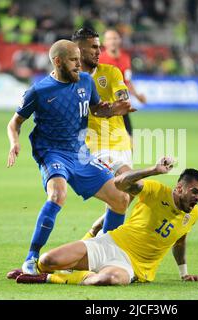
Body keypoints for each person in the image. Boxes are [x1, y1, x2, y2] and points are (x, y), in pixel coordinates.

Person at [6, 40, 135, 275]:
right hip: (52, 152)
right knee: (57, 195)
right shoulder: (39, 91)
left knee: (121, 199)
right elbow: (14, 123)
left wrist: (114, 110)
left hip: (80, 152)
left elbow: (96, 109)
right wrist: (15, 142)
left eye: (79, 59)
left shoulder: (86, 80)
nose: (79, 65)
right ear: (57, 61)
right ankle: (32, 258)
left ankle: (104, 253)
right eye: (73, 60)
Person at [12, 157, 198, 285]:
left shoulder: (194, 214)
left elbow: (179, 241)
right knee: (48, 260)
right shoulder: (155, 191)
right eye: (194, 192)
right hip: (109, 243)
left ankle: (53, 278)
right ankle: (38, 270)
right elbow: (119, 183)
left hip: (132, 266)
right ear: (179, 188)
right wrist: (153, 170)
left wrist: (184, 273)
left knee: (110, 279)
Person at [71, 28, 134, 240]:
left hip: (121, 143)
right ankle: (105, 247)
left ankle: (92, 237)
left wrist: (120, 103)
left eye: (100, 47)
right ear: (79, 50)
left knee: (125, 197)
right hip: (96, 145)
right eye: (94, 47)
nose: (99, 51)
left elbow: (121, 93)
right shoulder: (70, 81)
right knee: (131, 186)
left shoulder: (112, 72)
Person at [99, 29, 146, 135]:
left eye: (115, 38)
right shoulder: (99, 59)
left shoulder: (125, 58)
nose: (112, 41)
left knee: (129, 138)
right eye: (109, 39)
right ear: (104, 42)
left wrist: (138, 96)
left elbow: (127, 82)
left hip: (120, 104)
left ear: (119, 40)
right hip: (104, 106)